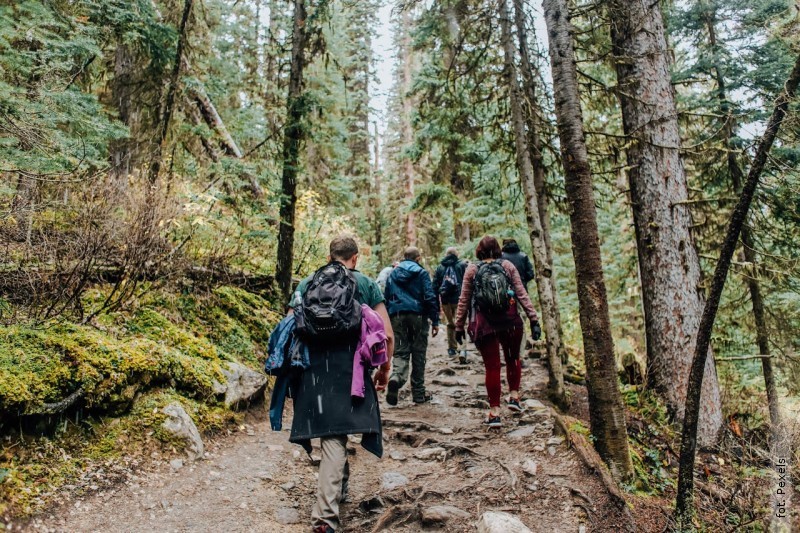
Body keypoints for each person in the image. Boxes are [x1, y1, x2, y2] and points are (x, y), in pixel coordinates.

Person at [287, 235, 395, 533]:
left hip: (313, 369)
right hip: (350, 368)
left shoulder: (307, 283)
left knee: (332, 432)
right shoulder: (365, 284)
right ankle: (324, 518)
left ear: (329, 255)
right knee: (335, 435)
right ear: (354, 258)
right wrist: (384, 369)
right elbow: (386, 333)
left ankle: (339, 487)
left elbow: (289, 325)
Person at [454, 235, 541, 428]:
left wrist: (459, 326)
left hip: (484, 325)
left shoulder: (472, 269)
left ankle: (494, 412)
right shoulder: (508, 266)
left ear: (479, 250)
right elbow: (521, 293)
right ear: (498, 249)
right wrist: (533, 319)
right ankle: (515, 397)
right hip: (510, 321)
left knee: (492, 367)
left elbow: (464, 300)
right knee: (513, 359)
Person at [384, 246, 440, 406]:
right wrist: (435, 320)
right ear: (418, 258)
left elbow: (387, 295)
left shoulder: (393, 273)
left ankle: (396, 377)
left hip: (397, 315)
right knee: (418, 354)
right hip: (418, 316)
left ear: (404, 257)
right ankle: (418, 394)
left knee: (401, 352)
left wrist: (388, 318)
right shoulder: (421, 273)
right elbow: (429, 296)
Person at [432, 247, 468, 357]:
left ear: (446, 255)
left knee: (450, 323)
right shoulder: (462, 265)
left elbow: (434, 287)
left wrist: (437, 306)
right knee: (461, 323)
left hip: (445, 300)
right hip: (459, 299)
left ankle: (452, 349)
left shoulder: (440, 267)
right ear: (456, 254)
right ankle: (462, 349)